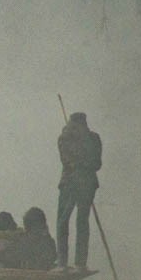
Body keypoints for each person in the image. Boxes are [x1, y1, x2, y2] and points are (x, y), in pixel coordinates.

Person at [56, 112, 102, 269]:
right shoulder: (65, 138)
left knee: (82, 222)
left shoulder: (93, 139)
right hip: (69, 184)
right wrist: (83, 163)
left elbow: (97, 163)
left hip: (86, 185)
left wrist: (81, 163)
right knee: (63, 221)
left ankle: (80, 263)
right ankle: (62, 263)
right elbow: (67, 161)